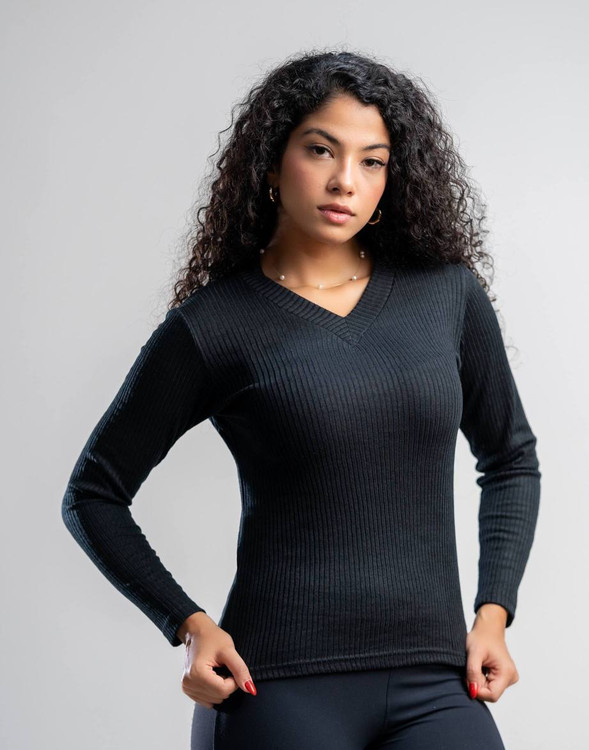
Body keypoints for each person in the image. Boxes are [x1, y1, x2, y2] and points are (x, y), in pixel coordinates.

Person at [61, 49, 541, 749]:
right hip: (275, 685)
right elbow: (93, 494)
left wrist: (494, 613)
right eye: (321, 150)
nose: (346, 180)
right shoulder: (215, 324)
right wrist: (188, 626)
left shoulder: (447, 294)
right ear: (270, 161)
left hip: (436, 680)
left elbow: (510, 458)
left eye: (372, 161)